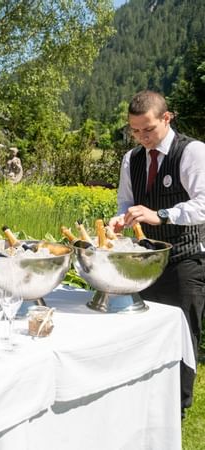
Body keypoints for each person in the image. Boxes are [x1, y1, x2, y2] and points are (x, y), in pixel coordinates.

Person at [108, 90, 205, 418]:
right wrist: (121, 219)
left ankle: (177, 406)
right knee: (142, 329)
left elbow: (203, 205)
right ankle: (145, 397)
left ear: (167, 118)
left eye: (147, 129)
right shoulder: (131, 159)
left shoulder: (192, 152)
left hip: (185, 257)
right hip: (145, 258)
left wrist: (161, 214)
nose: (142, 138)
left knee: (182, 332)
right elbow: (126, 201)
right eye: (135, 131)